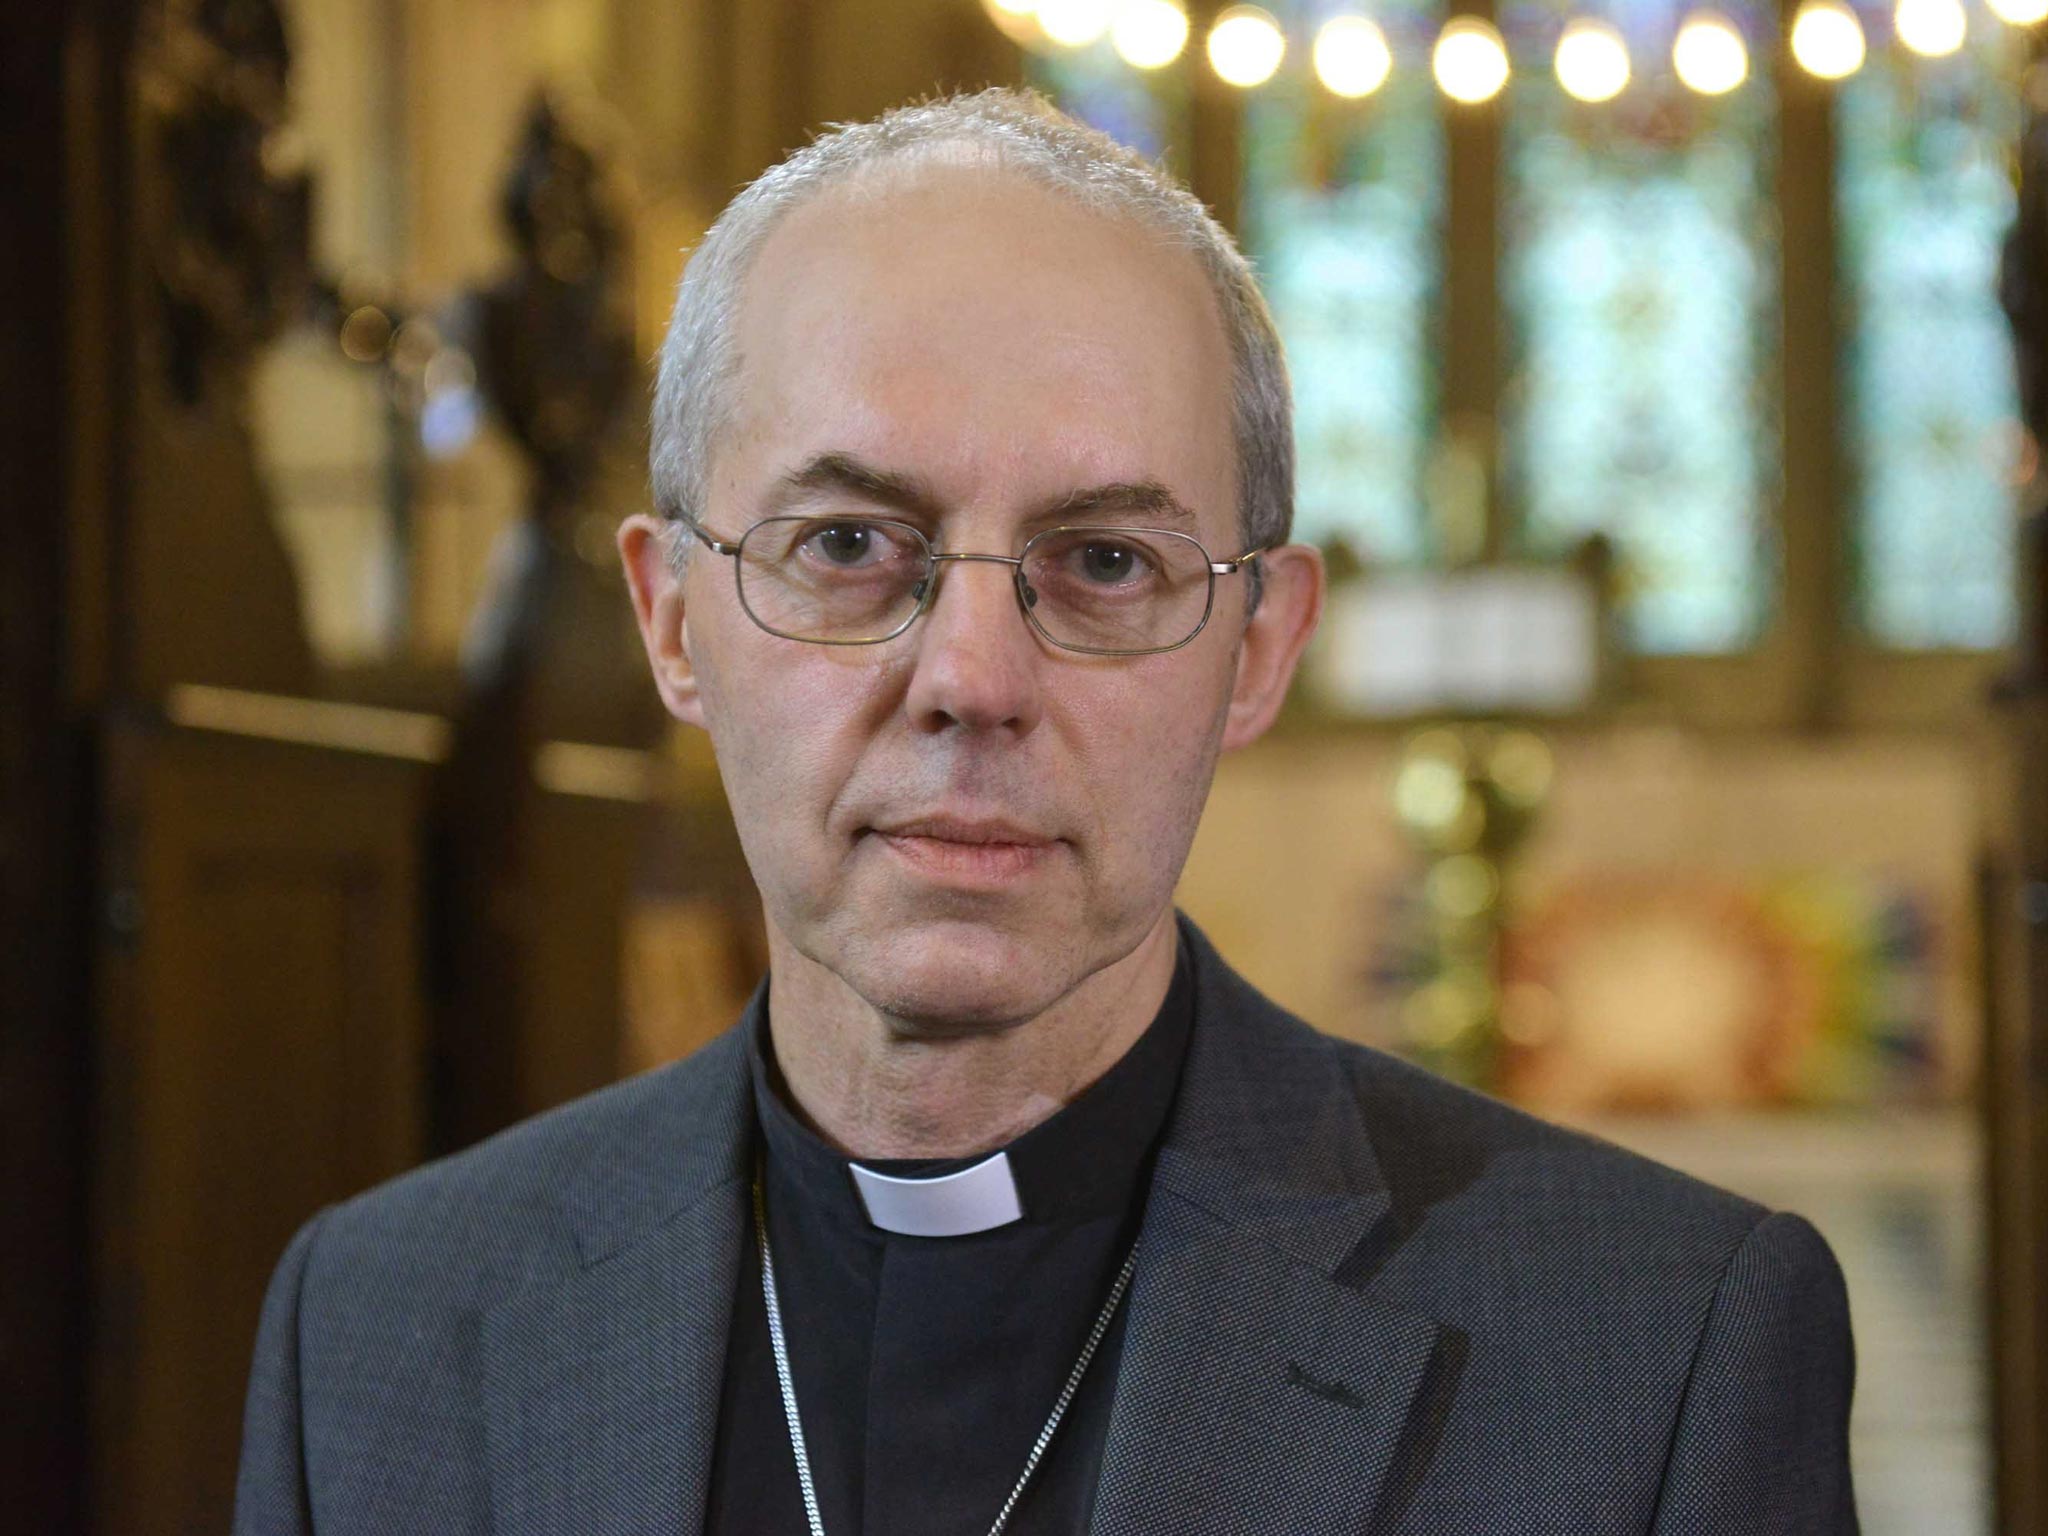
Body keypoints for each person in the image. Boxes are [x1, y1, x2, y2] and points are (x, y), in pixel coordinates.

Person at [233, 87, 1857, 1535]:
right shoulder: (381, 1333)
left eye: (1103, 564)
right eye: (850, 547)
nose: (973, 679)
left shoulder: (1653, 1363)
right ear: (672, 620)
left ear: (1257, 649)